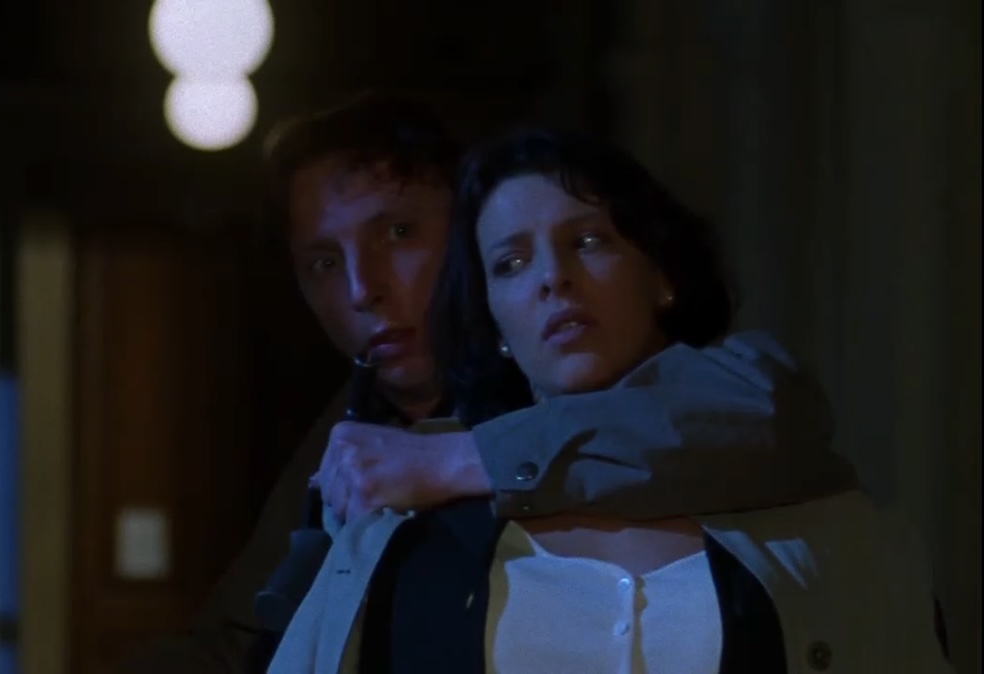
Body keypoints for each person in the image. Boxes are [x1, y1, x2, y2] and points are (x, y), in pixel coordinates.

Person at [129, 95, 858, 673]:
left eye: (398, 234)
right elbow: (239, 639)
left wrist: (455, 461)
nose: (361, 288)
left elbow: (759, 409)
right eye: (323, 262)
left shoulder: (571, 364)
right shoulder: (352, 432)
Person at [267, 129, 953, 673]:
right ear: (493, 319)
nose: (553, 279)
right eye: (511, 263)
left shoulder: (804, 505)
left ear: (661, 276)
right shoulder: (409, 537)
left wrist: (462, 460)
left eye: (588, 241)